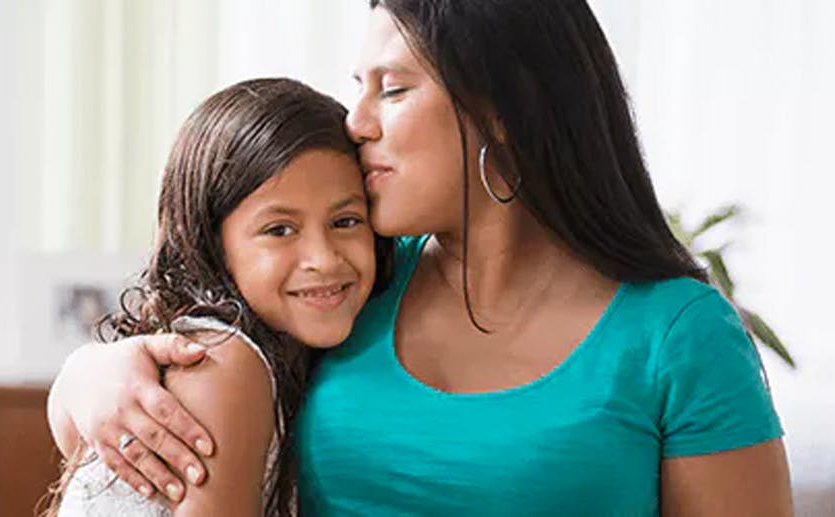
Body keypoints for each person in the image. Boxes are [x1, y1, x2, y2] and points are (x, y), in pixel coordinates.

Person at [47, 1, 794, 515]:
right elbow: (202, 356)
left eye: (393, 89)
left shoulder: (677, 333)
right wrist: (89, 375)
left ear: (502, 108)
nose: (356, 121)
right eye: (357, 89)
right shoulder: (353, 277)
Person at [44, 77, 393, 516]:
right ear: (212, 244)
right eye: (279, 230)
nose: (323, 259)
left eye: (345, 221)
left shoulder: (259, 354)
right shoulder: (221, 362)